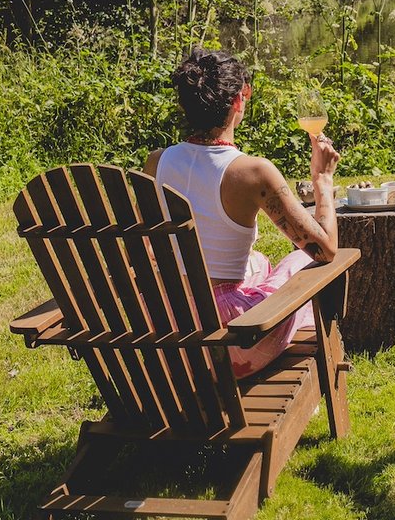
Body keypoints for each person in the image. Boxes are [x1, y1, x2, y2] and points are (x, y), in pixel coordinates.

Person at [144, 48, 340, 378]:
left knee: (257, 262)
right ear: (239, 100)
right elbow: (325, 248)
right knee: (298, 262)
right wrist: (322, 181)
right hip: (228, 344)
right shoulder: (252, 172)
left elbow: (146, 247)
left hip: (167, 331)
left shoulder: (157, 162)